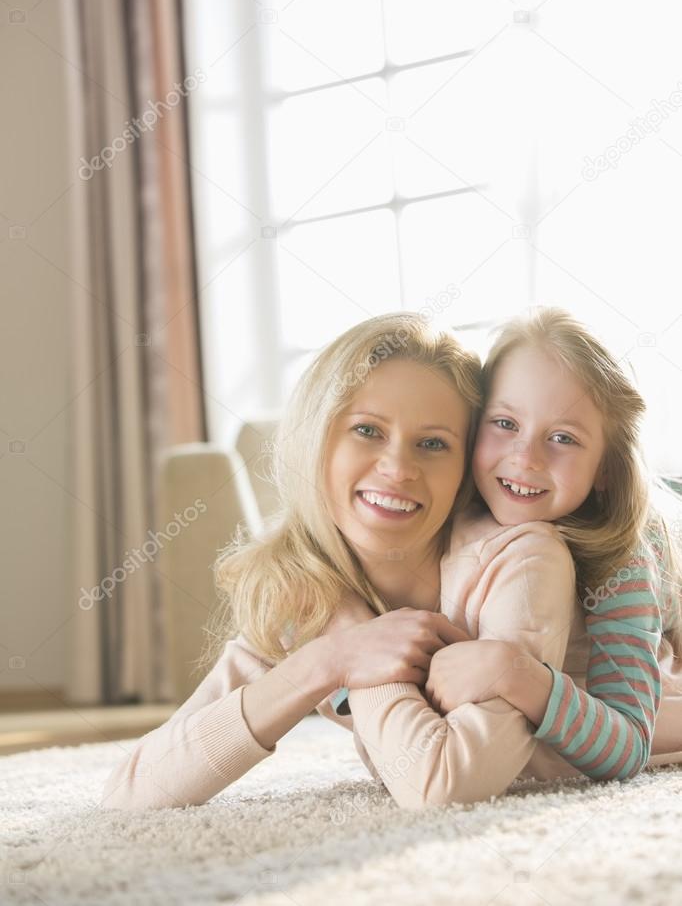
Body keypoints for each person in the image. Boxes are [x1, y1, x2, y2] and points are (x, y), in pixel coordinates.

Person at [99, 312, 579, 811]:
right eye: (368, 430)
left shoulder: (519, 557)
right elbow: (132, 791)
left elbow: (445, 786)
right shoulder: (308, 589)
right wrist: (330, 658)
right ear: (317, 440)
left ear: (465, 467)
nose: (397, 467)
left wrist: (349, 635)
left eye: (433, 443)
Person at [418, 308, 682, 782]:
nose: (526, 457)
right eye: (505, 423)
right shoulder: (451, 509)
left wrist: (515, 673)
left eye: (562, 437)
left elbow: (628, 748)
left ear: (605, 470)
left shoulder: (625, 566)